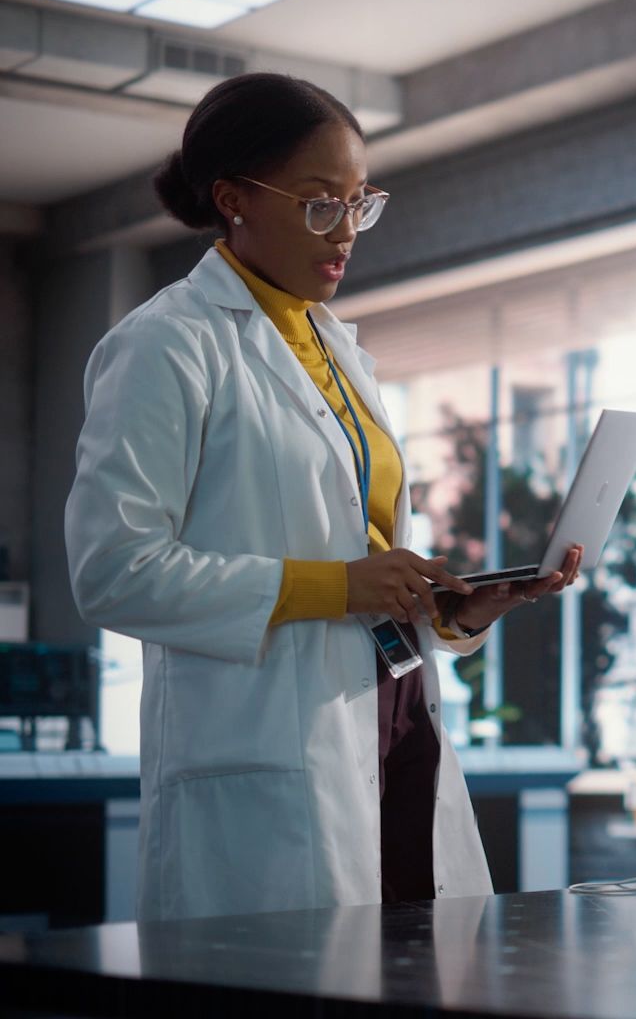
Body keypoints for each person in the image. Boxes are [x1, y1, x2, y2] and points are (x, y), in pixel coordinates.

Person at [65, 73, 581, 922]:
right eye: (318, 205)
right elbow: (114, 570)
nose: (345, 232)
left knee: (423, 965)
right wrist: (340, 586)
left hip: (394, 712)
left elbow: (363, 551)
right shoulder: (167, 345)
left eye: (359, 203)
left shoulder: (338, 348)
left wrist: (463, 610)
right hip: (267, 752)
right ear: (232, 200)